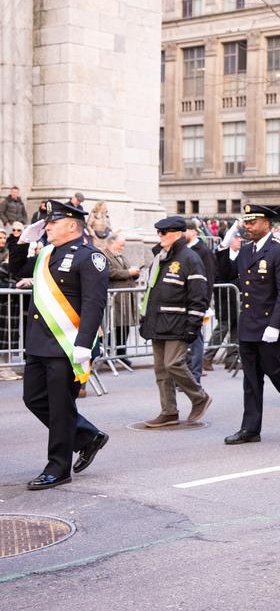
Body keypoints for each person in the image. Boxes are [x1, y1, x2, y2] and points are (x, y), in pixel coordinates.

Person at [19, 201, 110, 489]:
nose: (46, 227)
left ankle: (58, 468)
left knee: (60, 407)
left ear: (72, 225)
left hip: (66, 345)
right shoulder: (47, 253)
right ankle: (87, 436)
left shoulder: (90, 257)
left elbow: (93, 302)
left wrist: (84, 344)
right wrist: (21, 241)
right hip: (38, 343)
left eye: (52, 223)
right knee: (33, 399)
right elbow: (18, 268)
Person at [219, 204, 280, 445]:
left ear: (267, 224)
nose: (248, 226)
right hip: (250, 324)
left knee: (275, 371)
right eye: (246, 222)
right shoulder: (245, 251)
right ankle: (250, 429)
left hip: (272, 326)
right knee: (250, 379)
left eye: (253, 222)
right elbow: (225, 274)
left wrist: (275, 325)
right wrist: (224, 247)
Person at [137, 216, 212, 428]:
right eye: (158, 233)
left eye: (164, 233)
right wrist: (145, 319)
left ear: (177, 234)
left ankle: (199, 397)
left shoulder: (190, 258)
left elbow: (199, 296)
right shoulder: (160, 257)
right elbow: (151, 292)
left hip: (179, 323)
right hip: (158, 322)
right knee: (161, 370)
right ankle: (169, 412)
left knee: (173, 363)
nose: (159, 236)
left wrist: (193, 325)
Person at [101, 232, 140, 367]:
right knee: (113, 327)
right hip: (114, 298)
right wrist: (129, 273)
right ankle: (108, 354)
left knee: (125, 326)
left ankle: (121, 353)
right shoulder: (103, 255)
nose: (122, 248)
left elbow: (125, 270)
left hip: (125, 298)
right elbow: (109, 272)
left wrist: (135, 274)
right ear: (111, 243)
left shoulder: (120, 255)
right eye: (120, 245)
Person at [184, 219, 216, 381]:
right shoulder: (181, 249)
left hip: (197, 302)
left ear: (193, 232)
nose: (182, 234)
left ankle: (195, 376)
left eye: (185, 231)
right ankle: (186, 374)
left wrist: (204, 303)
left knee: (196, 341)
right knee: (185, 342)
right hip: (183, 302)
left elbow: (208, 279)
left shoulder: (203, 251)